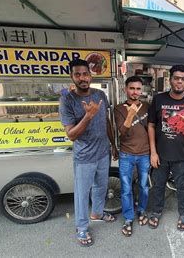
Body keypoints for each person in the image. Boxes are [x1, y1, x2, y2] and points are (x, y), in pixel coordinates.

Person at [59, 58, 118, 247]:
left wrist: (113, 144)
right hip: (84, 157)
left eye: (85, 73)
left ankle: (97, 213)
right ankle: (82, 227)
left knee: (101, 187)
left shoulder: (100, 94)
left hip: (103, 153)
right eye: (77, 74)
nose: (82, 78)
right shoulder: (67, 100)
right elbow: (71, 135)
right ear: (72, 77)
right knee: (82, 194)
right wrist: (88, 116)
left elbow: (106, 121)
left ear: (90, 75)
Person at [147, 64, 184, 231]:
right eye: (176, 78)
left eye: (183, 79)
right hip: (161, 154)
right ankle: (156, 212)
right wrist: (153, 152)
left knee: (182, 186)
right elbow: (151, 126)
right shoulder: (159, 99)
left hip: (182, 155)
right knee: (158, 185)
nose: (179, 82)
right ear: (170, 80)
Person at [113, 76, 151, 237]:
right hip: (126, 154)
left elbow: (152, 129)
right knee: (126, 188)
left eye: (138, 89)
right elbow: (122, 132)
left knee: (144, 186)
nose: (135, 92)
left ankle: (141, 210)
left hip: (145, 154)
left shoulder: (148, 107)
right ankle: (128, 218)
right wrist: (130, 115)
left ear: (141, 90)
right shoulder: (118, 108)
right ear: (125, 89)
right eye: (132, 88)